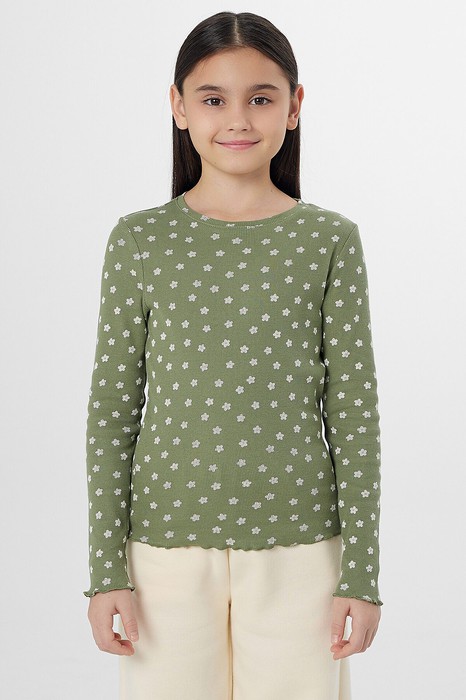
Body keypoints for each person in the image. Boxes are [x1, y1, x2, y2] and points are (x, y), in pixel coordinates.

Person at [84, 10, 383, 700]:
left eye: (261, 98)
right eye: (214, 99)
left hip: (300, 551)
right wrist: (106, 572)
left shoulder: (328, 241)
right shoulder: (140, 241)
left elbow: (354, 415)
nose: (238, 119)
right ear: (179, 106)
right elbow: (111, 413)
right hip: (162, 552)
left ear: (294, 106)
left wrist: (361, 575)